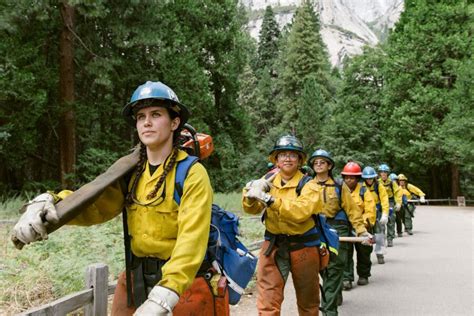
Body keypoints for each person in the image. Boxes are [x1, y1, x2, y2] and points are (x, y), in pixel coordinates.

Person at [11, 81, 221, 316]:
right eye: (140, 117)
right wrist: (49, 204)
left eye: (156, 114)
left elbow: (191, 240)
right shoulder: (131, 173)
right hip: (136, 279)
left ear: (174, 123)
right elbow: (94, 205)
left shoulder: (192, 174)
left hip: (183, 283)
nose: (147, 122)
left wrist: (165, 295)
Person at [242, 135, 324, 316]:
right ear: (276, 159)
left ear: (300, 160)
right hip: (274, 245)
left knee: (308, 302)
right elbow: (252, 209)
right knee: (267, 302)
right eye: (282, 155)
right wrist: (249, 195)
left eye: (292, 155)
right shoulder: (268, 180)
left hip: (303, 247)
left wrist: (271, 200)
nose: (287, 158)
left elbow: (301, 212)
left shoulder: (309, 185)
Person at [308, 149, 372, 316]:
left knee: (335, 269)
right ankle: (334, 293)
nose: (319, 164)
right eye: (316, 162)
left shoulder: (339, 186)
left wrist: (361, 231)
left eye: (323, 161)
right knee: (322, 268)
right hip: (314, 230)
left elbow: (352, 210)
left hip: (337, 229)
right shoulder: (307, 185)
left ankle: (329, 312)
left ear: (329, 165)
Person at [341, 162, 377, 289]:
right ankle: (346, 278)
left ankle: (363, 274)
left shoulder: (363, 191)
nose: (348, 180)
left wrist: (363, 224)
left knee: (364, 253)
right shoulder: (340, 189)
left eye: (351, 177)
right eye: (346, 177)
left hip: (363, 226)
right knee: (345, 254)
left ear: (357, 178)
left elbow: (370, 209)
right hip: (346, 227)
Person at [361, 166, 389, 264]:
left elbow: (384, 199)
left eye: (371, 178)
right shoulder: (361, 186)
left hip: (377, 212)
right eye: (367, 178)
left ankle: (380, 254)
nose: (369, 180)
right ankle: (365, 258)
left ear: (374, 177)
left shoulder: (379, 186)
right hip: (365, 213)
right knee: (366, 235)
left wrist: (385, 213)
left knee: (379, 233)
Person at [377, 164, 402, 247]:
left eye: (385, 172)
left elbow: (397, 193)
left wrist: (398, 203)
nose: (383, 174)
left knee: (391, 220)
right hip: (380, 202)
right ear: (379, 173)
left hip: (390, 201)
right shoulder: (377, 182)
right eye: (382, 172)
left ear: (387, 173)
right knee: (381, 221)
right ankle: (382, 239)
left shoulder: (392, 182)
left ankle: (390, 239)